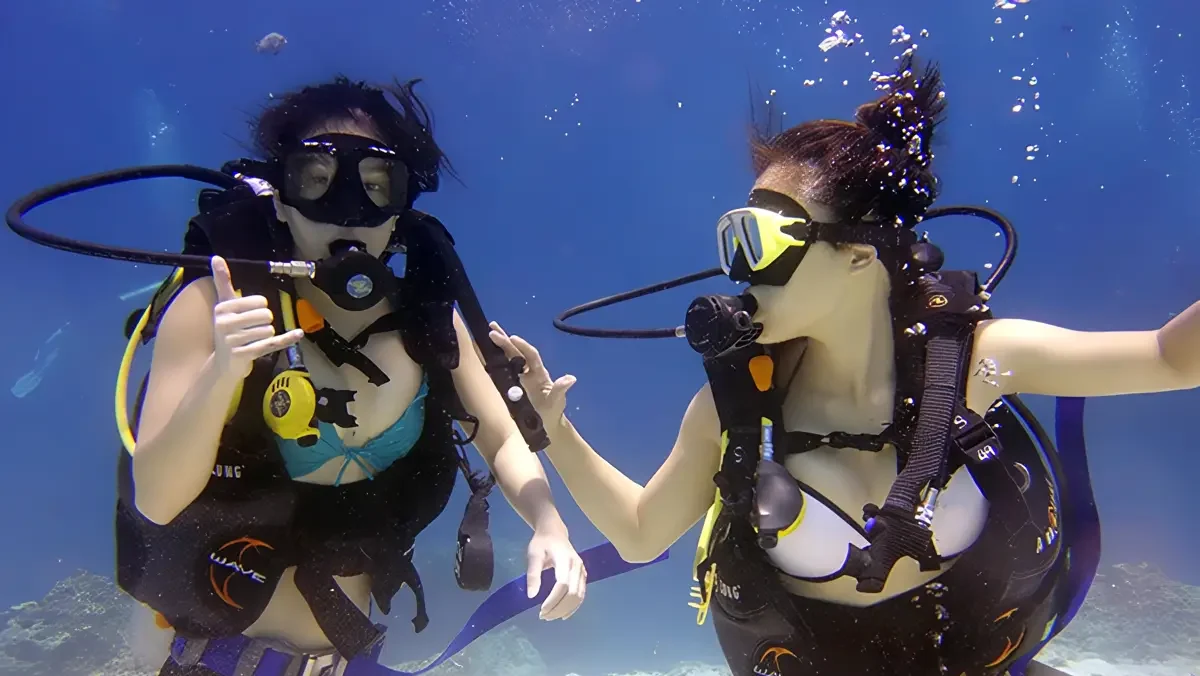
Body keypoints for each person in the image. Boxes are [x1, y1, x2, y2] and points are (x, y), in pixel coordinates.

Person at [491, 55, 1200, 676]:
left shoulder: (980, 362)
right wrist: (557, 431)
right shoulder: (739, 407)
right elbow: (643, 532)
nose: (740, 271)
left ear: (860, 256)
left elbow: (1172, 358)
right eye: (734, 240)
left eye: (761, 241)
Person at [114, 76, 588, 676]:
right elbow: (155, 499)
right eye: (316, 181)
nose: (349, 211)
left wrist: (550, 523)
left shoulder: (426, 320)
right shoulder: (216, 305)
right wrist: (222, 375)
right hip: (203, 656)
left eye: (375, 186)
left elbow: (500, 437)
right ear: (281, 200)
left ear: (400, 211)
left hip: (341, 658)